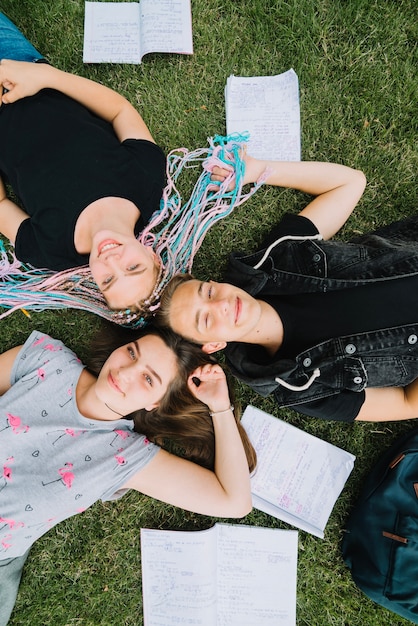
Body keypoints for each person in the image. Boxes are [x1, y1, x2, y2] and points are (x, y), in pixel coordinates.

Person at [0, 13, 262, 325]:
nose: (112, 262)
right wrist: (46, 78)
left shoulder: (50, 251)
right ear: (151, 256)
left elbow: (1, 205)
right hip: (22, 68)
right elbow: (119, 110)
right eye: (133, 268)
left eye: (108, 280)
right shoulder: (147, 183)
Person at [0, 323, 254, 625]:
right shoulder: (47, 359)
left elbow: (234, 501)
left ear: (155, 404)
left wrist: (220, 406)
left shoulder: (125, 456)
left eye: (148, 379)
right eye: (132, 352)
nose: (124, 372)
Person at [156, 153, 418, 423]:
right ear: (213, 345)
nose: (220, 304)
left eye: (208, 293)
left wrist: (256, 170)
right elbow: (407, 403)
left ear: (214, 283)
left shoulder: (279, 259)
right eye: (206, 319)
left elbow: (350, 183)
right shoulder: (299, 387)